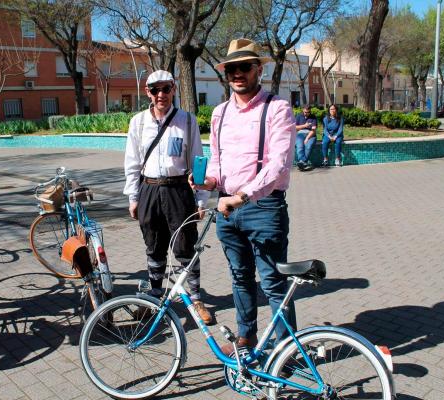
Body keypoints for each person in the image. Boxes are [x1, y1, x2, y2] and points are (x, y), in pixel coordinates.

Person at [190, 38, 296, 355]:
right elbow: (219, 161)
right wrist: (208, 181)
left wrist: (242, 196)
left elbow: (278, 164)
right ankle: (246, 336)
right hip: (226, 208)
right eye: (231, 68)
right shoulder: (220, 113)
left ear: (258, 70)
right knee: (240, 279)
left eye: (244, 67)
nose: (238, 74)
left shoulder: (277, 108)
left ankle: (286, 350)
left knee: (274, 283)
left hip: (263, 208)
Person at [123, 70, 213, 324]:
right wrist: (133, 197)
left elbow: (197, 160)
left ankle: (195, 300)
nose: (161, 94)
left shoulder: (186, 120)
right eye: (155, 90)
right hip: (149, 189)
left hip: (178, 191)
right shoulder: (138, 122)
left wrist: (201, 199)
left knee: (186, 247)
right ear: (147, 92)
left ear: (174, 89)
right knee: (154, 247)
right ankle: (153, 298)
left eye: (166, 88)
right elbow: (132, 162)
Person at [294, 105, 317, 171]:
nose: (306, 113)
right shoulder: (299, 116)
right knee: (300, 146)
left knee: (308, 146)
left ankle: (302, 162)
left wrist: (307, 138)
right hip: (300, 133)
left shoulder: (313, 117)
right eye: (305, 112)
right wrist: (305, 125)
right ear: (303, 111)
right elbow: (295, 127)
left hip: (310, 134)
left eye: (308, 112)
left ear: (310, 111)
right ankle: (303, 162)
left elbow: (313, 130)